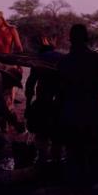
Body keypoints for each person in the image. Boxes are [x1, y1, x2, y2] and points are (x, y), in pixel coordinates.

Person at [57, 24, 98, 186]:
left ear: (70, 39)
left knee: (74, 154)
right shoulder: (97, 60)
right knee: (97, 152)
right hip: (91, 113)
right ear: (86, 38)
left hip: (70, 114)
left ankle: (74, 187)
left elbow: (60, 92)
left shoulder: (64, 62)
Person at [25, 35, 64, 165]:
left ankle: (42, 160)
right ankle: (56, 161)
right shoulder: (62, 57)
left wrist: (28, 104)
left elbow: (30, 84)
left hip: (43, 100)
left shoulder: (39, 59)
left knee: (41, 134)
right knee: (57, 134)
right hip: (60, 101)